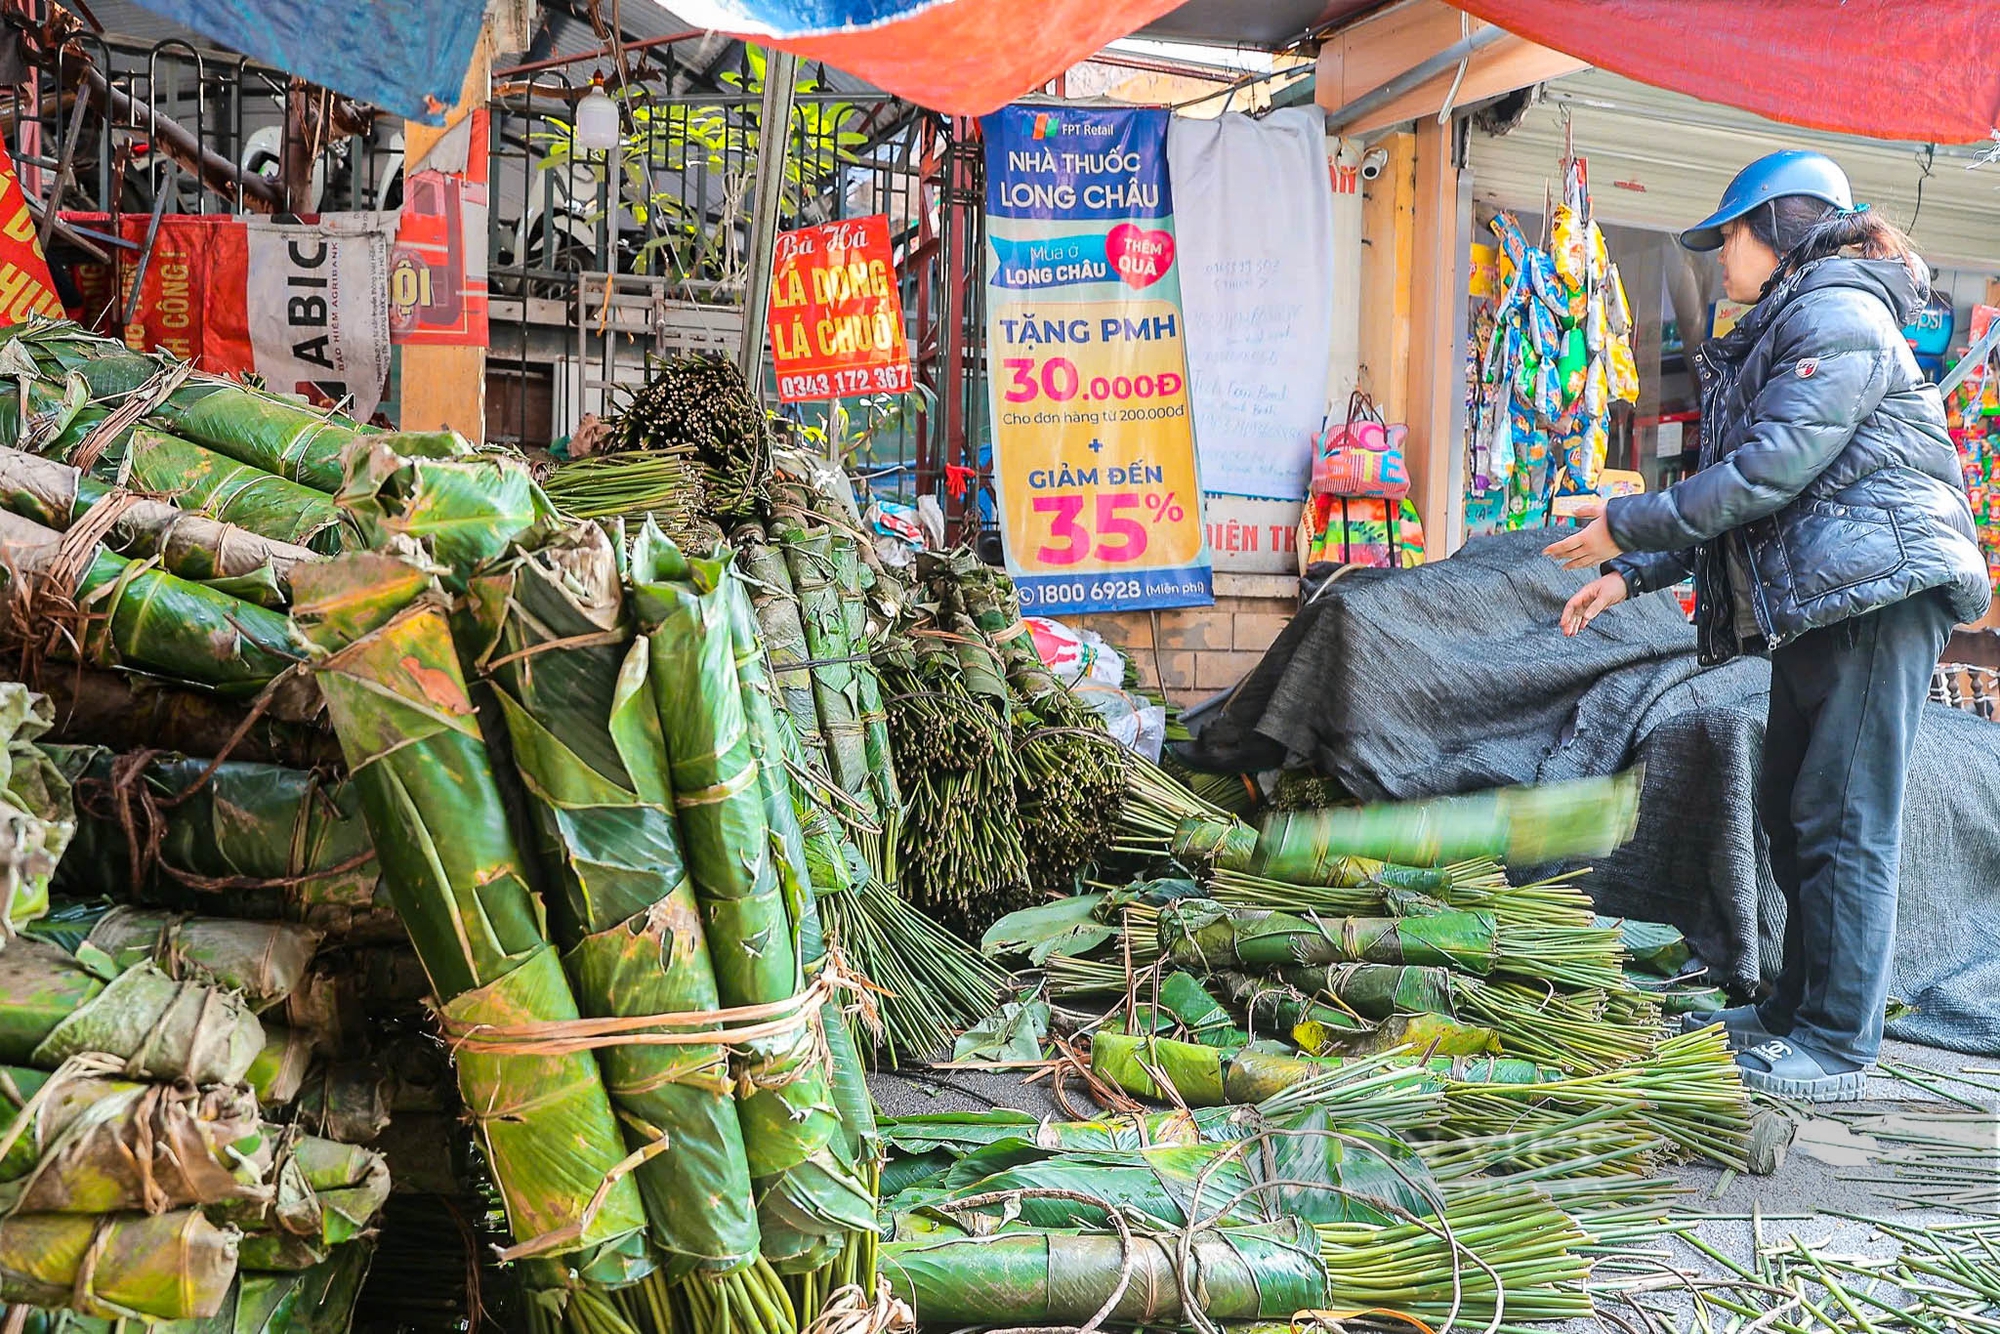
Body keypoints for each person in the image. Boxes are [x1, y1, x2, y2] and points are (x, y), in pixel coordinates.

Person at [1543, 150, 1991, 1102]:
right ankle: (1795, 1008)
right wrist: (1633, 573)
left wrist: (1626, 519)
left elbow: (1767, 472)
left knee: (1844, 818)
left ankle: (1838, 1042)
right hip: (1832, 598)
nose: (1721, 260)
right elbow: (1752, 491)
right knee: (1796, 805)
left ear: (1780, 229)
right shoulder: (1792, 322)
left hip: (1880, 594)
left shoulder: (1839, 314)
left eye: (1730, 238)